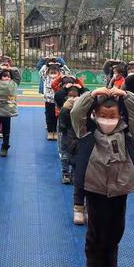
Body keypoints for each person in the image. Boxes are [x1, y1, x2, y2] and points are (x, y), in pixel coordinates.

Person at [71, 86, 134, 267]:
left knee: (115, 230)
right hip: (95, 189)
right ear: (94, 114)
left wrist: (126, 95)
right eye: (103, 115)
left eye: (112, 115)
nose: (107, 119)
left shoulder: (126, 131)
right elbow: (76, 112)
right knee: (96, 231)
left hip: (120, 188)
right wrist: (91, 95)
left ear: (120, 115)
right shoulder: (86, 131)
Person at [59, 94, 86, 224]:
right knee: (79, 183)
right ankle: (79, 208)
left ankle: (89, 208)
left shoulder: (92, 120)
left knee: (93, 185)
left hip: (94, 159)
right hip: (77, 155)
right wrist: (68, 104)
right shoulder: (70, 123)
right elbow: (64, 114)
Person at [0, 66, 20, 158]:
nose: (7, 78)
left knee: (6, 132)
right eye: (4, 76)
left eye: (8, 76)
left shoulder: (13, 83)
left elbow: (17, 75)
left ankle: (5, 147)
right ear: (0, 77)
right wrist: (1, 68)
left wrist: (10, 69)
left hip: (7, 112)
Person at [40, 59, 69, 140]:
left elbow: (68, 73)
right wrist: (47, 64)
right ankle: (50, 131)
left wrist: (61, 64)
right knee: (49, 117)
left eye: (55, 71)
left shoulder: (61, 78)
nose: (53, 73)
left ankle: (55, 131)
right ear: (48, 72)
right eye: (51, 72)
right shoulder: (45, 77)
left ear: (59, 72)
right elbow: (41, 71)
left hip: (58, 102)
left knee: (57, 117)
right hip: (49, 101)